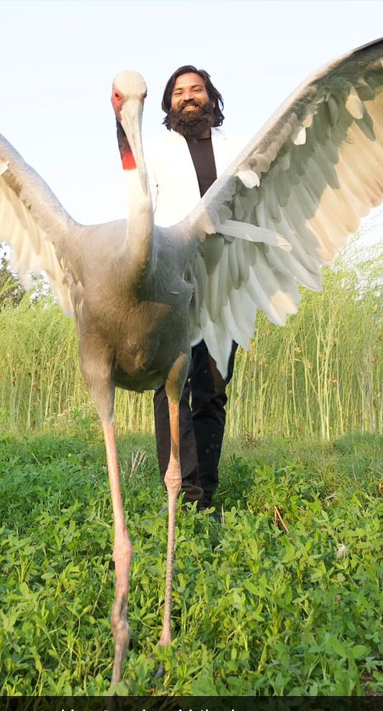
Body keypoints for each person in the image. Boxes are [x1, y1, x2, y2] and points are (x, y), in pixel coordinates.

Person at [147, 65, 242, 514]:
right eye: (180, 92)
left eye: (196, 90)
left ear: (210, 97)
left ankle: (206, 493)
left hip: (225, 282)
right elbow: (142, 218)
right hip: (174, 281)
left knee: (213, 388)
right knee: (172, 388)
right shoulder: (157, 151)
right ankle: (183, 494)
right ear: (168, 104)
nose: (189, 96)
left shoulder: (236, 151)